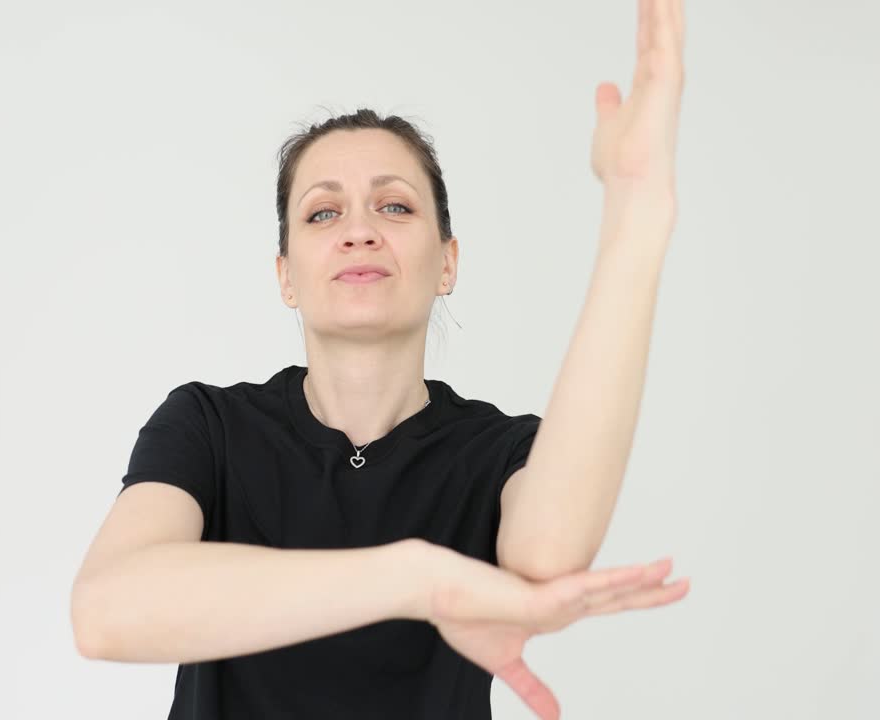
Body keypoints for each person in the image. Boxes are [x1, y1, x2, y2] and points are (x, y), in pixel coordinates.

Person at [72, 3, 689, 717]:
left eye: (395, 208)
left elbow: (548, 556)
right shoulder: (207, 427)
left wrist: (636, 208)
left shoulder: (499, 452)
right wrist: (420, 582)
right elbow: (106, 610)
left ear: (447, 262)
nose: (360, 230)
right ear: (286, 275)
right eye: (323, 213)